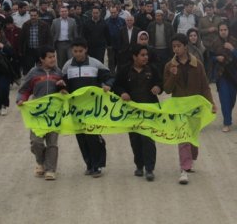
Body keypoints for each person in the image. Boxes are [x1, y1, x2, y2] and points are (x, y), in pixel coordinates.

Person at [163, 33, 216, 185]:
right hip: (179, 107)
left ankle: (191, 159)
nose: (176, 49)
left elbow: (204, 87)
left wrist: (211, 103)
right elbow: (166, 89)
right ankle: (184, 169)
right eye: (174, 46)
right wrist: (172, 76)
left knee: (192, 137)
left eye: (179, 46)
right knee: (183, 137)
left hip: (194, 108)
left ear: (186, 47)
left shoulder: (197, 64)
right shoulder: (169, 66)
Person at [61, 38, 113, 177]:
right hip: (76, 109)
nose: (78, 54)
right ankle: (89, 164)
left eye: (80, 51)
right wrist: (63, 88)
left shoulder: (95, 64)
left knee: (93, 136)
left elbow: (109, 77)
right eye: (75, 51)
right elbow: (62, 83)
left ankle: (98, 166)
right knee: (81, 137)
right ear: (72, 51)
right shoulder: (67, 66)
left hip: (93, 108)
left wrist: (108, 85)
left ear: (86, 50)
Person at [113, 45, 162, 182]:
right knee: (135, 139)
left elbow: (160, 81)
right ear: (134, 57)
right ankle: (139, 166)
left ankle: (150, 169)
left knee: (148, 139)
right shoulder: (125, 70)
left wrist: (158, 87)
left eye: (146, 55)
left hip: (149, 111)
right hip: (132, 112)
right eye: (142, 55)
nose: (145, 57)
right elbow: (116, 85)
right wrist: (122, 92)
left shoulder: (152, 69)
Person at [17, 45, 64, 181]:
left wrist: (63, 88)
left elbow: (64, 89)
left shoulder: (58, 73)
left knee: (52, 143)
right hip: (38, 114)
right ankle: (41, 162)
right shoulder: (33, 73)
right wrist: (21, 100)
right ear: (41, 59)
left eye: (54, 56)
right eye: (49, 57)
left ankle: (50, 169)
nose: (53, 59)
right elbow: (24, 90)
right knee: (36, 142)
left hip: (54, 114)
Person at [211, 22, 237, 132]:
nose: (223, 32)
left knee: (232, 99)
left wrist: (232, 49)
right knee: (224, 99)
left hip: (233, 74)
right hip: (221, 74)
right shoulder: (215, 42)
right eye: (221, 30)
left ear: (228, 30)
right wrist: (216, 58)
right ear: (218, 31)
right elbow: (210, 57)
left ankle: (228, 115)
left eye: (225, 29)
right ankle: (227, 122)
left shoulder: (234, 41)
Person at [19, 7, 53, 75]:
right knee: (29, 70)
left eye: (35, 15)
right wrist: (21, 51)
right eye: (31, 15)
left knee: (42, 69)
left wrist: (49, 50)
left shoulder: (44, 25)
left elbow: (49, 38)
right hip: (29, 51)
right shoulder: (26, 25)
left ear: (38, 16)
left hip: (40, 50)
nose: (33, 17)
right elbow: (21, 39)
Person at [51, 5, 78, 69]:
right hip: (60, 44)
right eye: (62, 11)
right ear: (59, 13)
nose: (64, 13)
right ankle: (62, 75)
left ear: (68, 12)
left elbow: (75, 33)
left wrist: (76, 44)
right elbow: (52, 33)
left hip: (70, 43)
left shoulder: (72, 21)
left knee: (71, 60)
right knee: (61, 61)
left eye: (65, 11)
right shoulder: (55, 22)